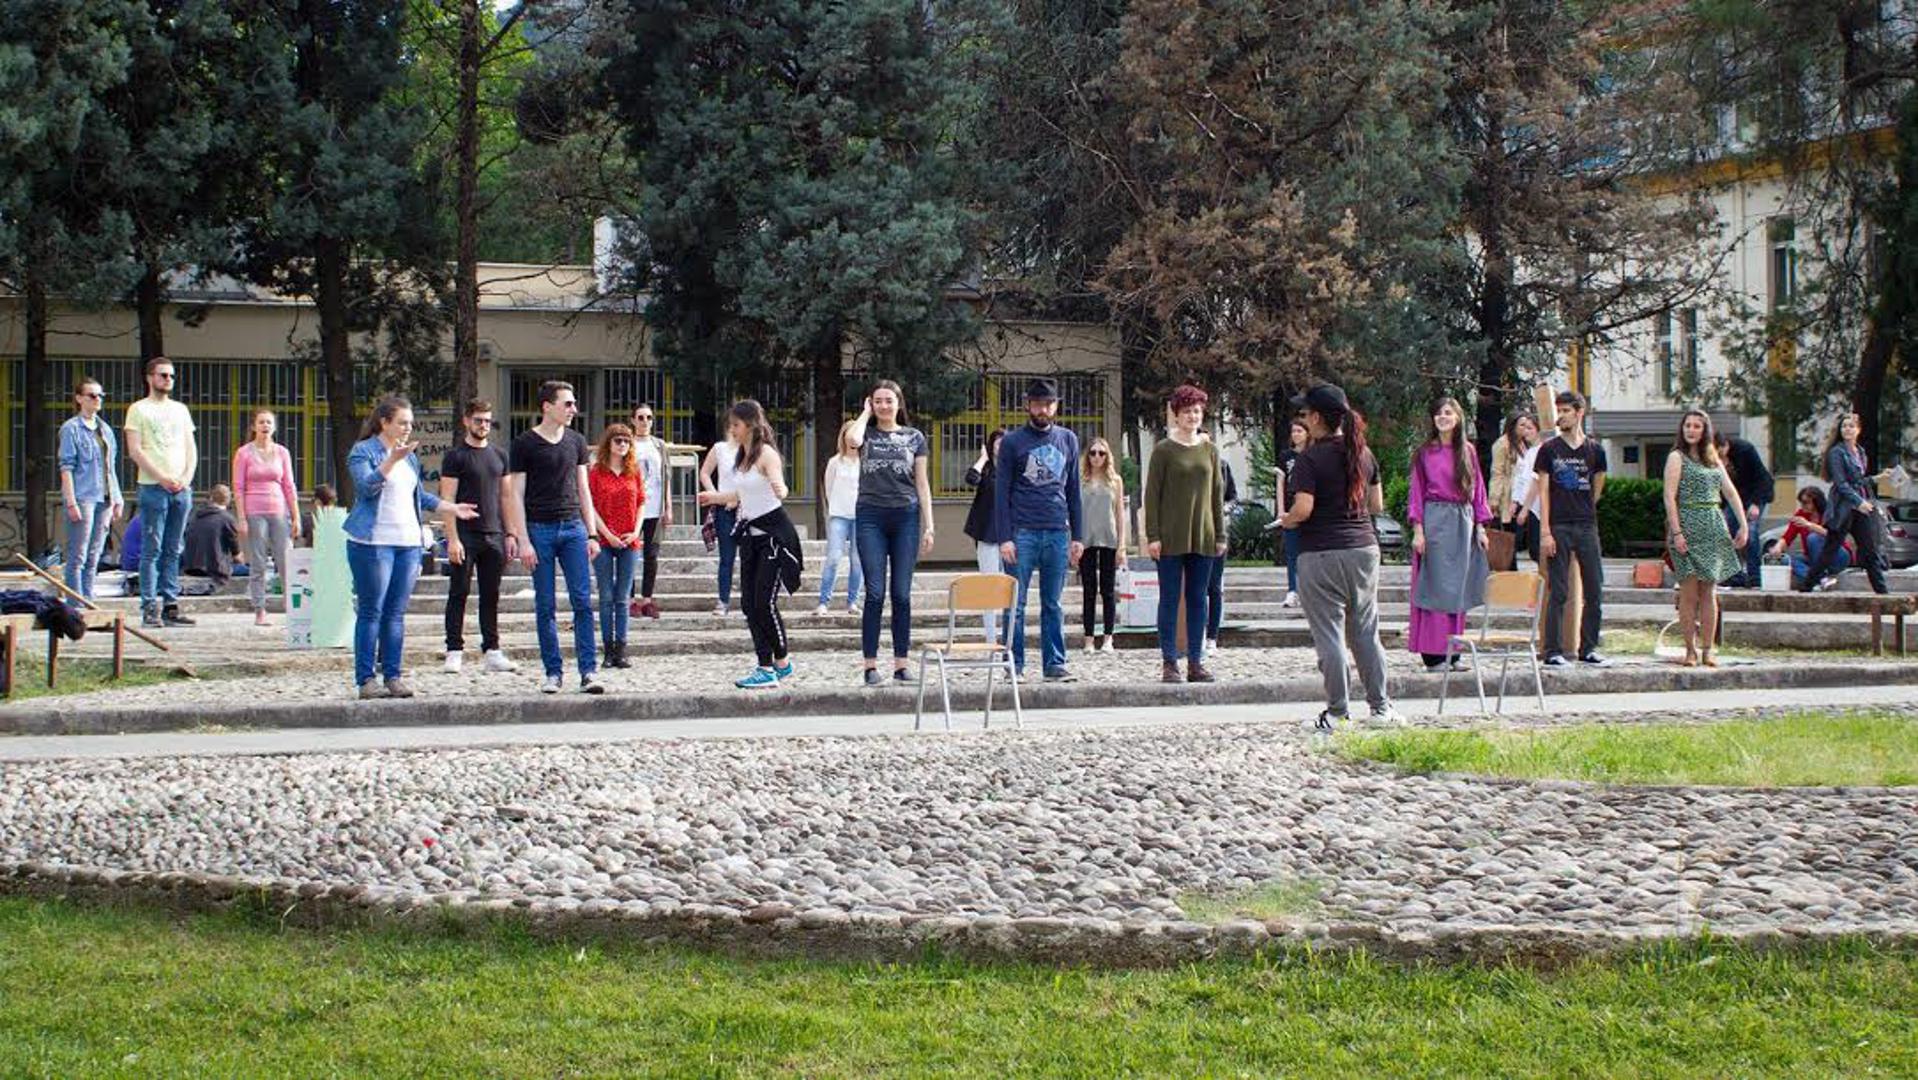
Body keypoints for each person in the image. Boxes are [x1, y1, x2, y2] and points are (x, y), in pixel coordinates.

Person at [1279, 383, 1401, 730]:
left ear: (1317, 418)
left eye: (1306, 414)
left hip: (1321, 552)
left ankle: (1337, 713)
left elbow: (1304, 508)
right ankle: (1380, 709)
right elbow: (1376, 504)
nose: (1304, 419)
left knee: (1330, 634)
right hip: (1363, 550)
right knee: (1365, 631)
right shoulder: (1363, 454)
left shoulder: (1309, 459)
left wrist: (1288, 519)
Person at [344, 396, 478, 698]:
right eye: (402, 423)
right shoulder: (363, 451)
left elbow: (418, 496)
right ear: (384, 423)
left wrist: (451, 507)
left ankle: (393, 676)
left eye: (410, 423)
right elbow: (366, 488)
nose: (408, 428)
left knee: (396, 613)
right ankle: (366, 680)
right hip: (373, 542)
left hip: (407, 543)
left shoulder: (409, 457)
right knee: (371, 611)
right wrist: (391, 460)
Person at [507, 379, 606, 694]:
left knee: (582, 602)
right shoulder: (524, 443)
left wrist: (592, 533)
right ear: (547, 407)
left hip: (573, 528)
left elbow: (584, 489)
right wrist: (523, 539)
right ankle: (553, 672)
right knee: (545, 604)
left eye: (574, 403)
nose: (574, 409)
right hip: (539, 529)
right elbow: (515, 494)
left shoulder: (576, 441)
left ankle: (588, 671)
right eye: (568, 403)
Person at [697, 400, 800, 688]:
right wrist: (715, 498)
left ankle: (780, 661)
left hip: (774, 535)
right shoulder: (741, 456)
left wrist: (781, 488)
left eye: (736, 425)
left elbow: (779, 485)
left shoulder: (766, 453)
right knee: (748, 604)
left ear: (751, 424)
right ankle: (765, 666)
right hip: (750, 536)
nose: (732, 430)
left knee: (764, 602)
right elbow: (742, 494)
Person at [993, 378, 1085, 681]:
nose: (1042, 409)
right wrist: (1004, 537)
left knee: (1053, 603)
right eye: (1036, 404)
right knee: (1015, 604)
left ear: (1056, 406)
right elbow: (1001, 493)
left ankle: (1054, 664)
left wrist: (1078, 536)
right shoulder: (1012, 442)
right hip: (1022, 532)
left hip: (1057, 530)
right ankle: (1014, 665)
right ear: (1027, 406)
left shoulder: (1068, 439)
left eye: (1048, 404)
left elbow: (1074, 490)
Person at [849, 380, 934, 685]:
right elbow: (853, 440)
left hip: (905, 517)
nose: (884, 405)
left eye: (889, 400)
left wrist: (929, 525)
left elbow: (922, 483)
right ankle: (870, 666)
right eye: (878, 401)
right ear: (871, 404)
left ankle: (901, 664)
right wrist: (864, 413)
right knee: (874, 593)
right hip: (870, 516)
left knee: (901, 594)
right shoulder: (865, 433)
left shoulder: (914, 437)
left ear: (899, 403)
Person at [1143, 386, 1224, 683]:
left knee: (1198, 598)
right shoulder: (1164, 450)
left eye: (1197, 411)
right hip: (1170, 535)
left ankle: (1195, 661)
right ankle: (1169, 662)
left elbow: (1216, 494)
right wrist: (1152, 535)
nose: (1193, 416)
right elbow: (1152, 495)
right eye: (1187, 411)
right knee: (1169, 598)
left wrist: (1221, 534)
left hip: (1203, 534)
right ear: (1176, 415)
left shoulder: (1210, 450)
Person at [1407, 397, 1493, 671]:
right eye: (1438, 413)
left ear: (1457, 418)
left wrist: (1480, 526)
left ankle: (1453, 652)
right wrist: (1418, 530)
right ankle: (1433, 655)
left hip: (1463, 523)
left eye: (1448, 412)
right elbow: (1416, 492)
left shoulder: (1467, 450)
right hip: (1436, 521)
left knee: (1458, 589)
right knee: (1435, 587)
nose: (1443, 417)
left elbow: (1478, 490)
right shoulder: (1425, 452)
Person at [1663, 409, 1748, 667]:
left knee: (1709, 591)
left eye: (1696, 426)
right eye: (1687, 425)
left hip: (1713, 524)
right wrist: (1677, 532)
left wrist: (1743, 525)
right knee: (1689, 592)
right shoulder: (1676, 457)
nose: (1691, 430)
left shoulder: (1713, 459)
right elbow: (1669, 497)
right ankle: (1690, 649)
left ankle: (1708, 649)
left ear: (1704, 430)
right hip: (1687, 524)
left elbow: (1730, 493)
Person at [439, 399, 518, 674]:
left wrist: (511, 533)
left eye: (487, 421)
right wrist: (452, 538)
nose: (483, 425)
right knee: (458, 592)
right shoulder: (455, 457)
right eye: (478, 420)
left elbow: (506, 497)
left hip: (494, 533)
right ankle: (454, 649)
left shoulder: (500, 455)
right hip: (465, 534)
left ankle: (492, 650)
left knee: (491, 594)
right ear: (466, 421)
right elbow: (447, 499)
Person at [1534, 390, 1610, 667]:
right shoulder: (1549, 449)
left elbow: (1598, 484)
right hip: (1559, 525)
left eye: (1566, 410)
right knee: (1559, 590)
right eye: (1559, 411)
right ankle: (1552, 650)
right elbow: (1543, 491)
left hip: (1586, 525)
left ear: (1579, 412)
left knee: (1594, 589)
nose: (1561, 416)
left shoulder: (1595, 450)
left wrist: (1586, 506)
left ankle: (1588, 647)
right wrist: (1545, 531)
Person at [123, 356, 197, 628]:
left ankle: (171, 604)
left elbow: (191, 448)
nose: (168, 380)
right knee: (152, 548)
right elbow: (135, 450)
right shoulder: (138, 409)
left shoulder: (180, 410)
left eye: (171, 376)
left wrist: (185, 478)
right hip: (153, 487)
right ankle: (149, 607)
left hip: (181, 488)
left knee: (174, 548)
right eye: (163, 375)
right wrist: (162, 478)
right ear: (150, 378)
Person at [1799, 412, 1891, 594]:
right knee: (1830, 550)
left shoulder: (1860, 452)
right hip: (1842, 508)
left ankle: (1882, 592)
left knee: (1869, 550)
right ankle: (1807, 586)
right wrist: (1859, 501)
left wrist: (1878, 478)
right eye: (1844, 426)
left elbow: (1858, 481)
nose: (1847, 429)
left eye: (1851, 426)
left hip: (1859, 508)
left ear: (1858, 430)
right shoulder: (1837, 452)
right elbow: (1841, 484)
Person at [57, 376, 123, 602]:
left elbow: (110, 467)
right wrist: (71, 502)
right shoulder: (71, 429)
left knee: (95, 553)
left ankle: (88, 598)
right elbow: (66, 468)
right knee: (78, 554)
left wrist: (117, 497)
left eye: (100, 395)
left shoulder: (105, 430)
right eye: (92, 395)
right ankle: (75, 602)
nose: (97, 399)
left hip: (104, 497)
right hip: (83, 496)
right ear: (79, 399)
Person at [232, 409, 301, 625]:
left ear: (274, 427)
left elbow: (289, 485)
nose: (265, 426)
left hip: (279, 510)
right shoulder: (244, 453)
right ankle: (260, 609)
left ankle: (292, 607)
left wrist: (296, 516)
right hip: (254, 511)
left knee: (285, 559)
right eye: (261, 422)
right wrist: (241, 517)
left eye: (269, 422)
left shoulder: (282, 452)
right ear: (254, 426)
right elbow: (238, 487)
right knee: (258, 562)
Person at [588, 422, 646, 670]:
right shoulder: (596, 472)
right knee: (606, 596)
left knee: (623, 597)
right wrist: (606, 534)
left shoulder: (634, 471)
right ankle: (608, 649)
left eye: (626, 441)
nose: (623, 445)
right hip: (604, 539)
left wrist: (636, 531)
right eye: (618, 440)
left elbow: (641, 502)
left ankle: (621, 648)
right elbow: (589, 506)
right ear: (608, 444)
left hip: (629, 539)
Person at [1079, 436, 1129, 654]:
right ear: (1087, 456)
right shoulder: (1081, 480)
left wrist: (1122, 545)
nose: (1097, 457)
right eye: (1093, 453)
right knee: (1088, 591)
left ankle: (1108, 637)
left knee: (1108, 591)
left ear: (1107, 456)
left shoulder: (1115, 481)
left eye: (1101, 453)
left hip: (1109, 539)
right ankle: (1089, 639)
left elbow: (1119, 514)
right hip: (1086, 540)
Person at [628, 403, 672, 620]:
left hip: (655, 507)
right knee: (630, 554)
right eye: (641, 417)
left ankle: (647, 599)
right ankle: (629, 600)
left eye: (649, 417)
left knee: (651, 555)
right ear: (633, 420)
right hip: (632, 508)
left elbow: (666, 477)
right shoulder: (628, 443)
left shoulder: (659, 445)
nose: (645, 421)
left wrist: (668, 507)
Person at [1715, 431, 1774, 588]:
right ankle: (1735, 575)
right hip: (1735, 498)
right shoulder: (1713, 459)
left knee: (1751, 531)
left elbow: (1760, 478)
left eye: (1721, 454)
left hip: (1755, 493)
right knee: (1727, 529)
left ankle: (1755, 576)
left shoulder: (1744, 450)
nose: (1720, 459)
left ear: (1726, 445)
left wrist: (1756, 503)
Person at [963, 427, 1007, 641]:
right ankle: (991, 640)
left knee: (1009, 588)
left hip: (1011, 535)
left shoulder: (1014, 468)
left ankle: (1008, 639)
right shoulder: (986, 469)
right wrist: (983, 458)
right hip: (987, 533)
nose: (1001, 446)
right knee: (989, 587)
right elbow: (971, 479)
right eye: (997, 442)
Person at [816, 420, 863, 616]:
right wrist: (834, 509)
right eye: (848, 435)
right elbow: (828, 488)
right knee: (833, 558)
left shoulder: (865, 462)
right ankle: (823, 602)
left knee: (857, 560)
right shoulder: (835, 462)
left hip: (861, 517)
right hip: (839, 516)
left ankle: (852, 601)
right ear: (843, 437)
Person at [1769, 487, 1852, 588]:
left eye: (1806, 502)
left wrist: (1809, 525)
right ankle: (1821, 579)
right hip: (1815, 559)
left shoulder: (1829, 513)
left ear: (1816, 502)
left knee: (1813, 538)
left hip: (1837, 555)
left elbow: (1834, 535)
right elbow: (1787, 537)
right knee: (1785, 559)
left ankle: (1817, 576)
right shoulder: (1801, 515)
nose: (1803, 506)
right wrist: (1778, 547)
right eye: (1801, 502)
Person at [699, 430, 741, 616]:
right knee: (727, 558)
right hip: (725, 509)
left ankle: (750, 601)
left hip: (748, 508)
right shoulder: (720, 448)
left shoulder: (753, 449)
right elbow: (705, 473)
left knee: (750, 557)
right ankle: (723, 600)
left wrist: (738, 498)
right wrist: (716, 496)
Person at [1491, 412, 1541, 563]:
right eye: (1522, 426)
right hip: (1508, 494)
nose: (1525, 430)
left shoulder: (1526, 445)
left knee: (1523, 539)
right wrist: (1494, 499)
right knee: (1510, 536)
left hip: (1524, 497)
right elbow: (1497, 473)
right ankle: (1508, 568)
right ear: (1512, 426)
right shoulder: (1503, 444)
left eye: (1528, 427)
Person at [308, 485, 353, 649]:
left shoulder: (317, 521)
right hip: (342, 572)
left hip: (323, 572)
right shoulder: (343, 518)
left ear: (318, 501)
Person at [1205, 458, 1237, 655]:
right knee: (1197, 587)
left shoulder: (1223, 465)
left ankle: (1212, 636)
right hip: (1197, 531)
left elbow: (1233, 497)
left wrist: (1225, 508)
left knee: (1214, 586)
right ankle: (1198, 633)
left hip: (1218, 531)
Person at [182, 483, 242, 587]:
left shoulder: (194, 516)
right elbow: (236, 553)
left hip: (190, 568)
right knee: (250, 569)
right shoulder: (227, 519)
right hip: (215, 569)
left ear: (211, 498)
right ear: (228, 500)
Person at [1277, 418, 1308, 607]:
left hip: (1311, 510)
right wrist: (1281, 510)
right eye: (1293, 431)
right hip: (1291, 509)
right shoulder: (1286, 456)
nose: (1296, 434)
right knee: (1292, 552)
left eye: (1299, 431)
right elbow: (1280, 482)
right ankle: (1292, 590)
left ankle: (1309, 591)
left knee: (1311, 552)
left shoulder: (1314, 454)